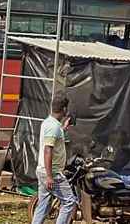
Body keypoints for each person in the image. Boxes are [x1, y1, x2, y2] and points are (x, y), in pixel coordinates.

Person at [32, 92, 77, 224]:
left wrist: (63, 128)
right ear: (64, 109)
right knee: (69, 202)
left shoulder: (49, 123)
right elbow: (48, 150)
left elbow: (53, 139)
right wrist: (50, 176)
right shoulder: (53, 127)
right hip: (53, 172)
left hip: (42, 170)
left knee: (44, 204)